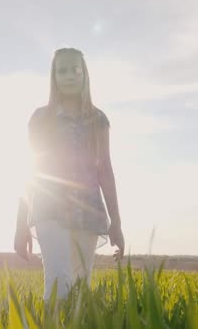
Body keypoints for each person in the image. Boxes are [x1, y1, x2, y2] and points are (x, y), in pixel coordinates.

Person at [14, 47, 125, 301]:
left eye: (75, 69)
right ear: (53, 77)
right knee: (58, 287)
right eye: (61, 70)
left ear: (85, 75)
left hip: (88, 210)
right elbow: (29, 172)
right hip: (48, 208)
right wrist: (21, 224)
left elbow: (105, 170)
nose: (69, 75)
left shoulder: (98, 120)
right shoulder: (41, 118)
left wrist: (115, 220)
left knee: (79, 290)